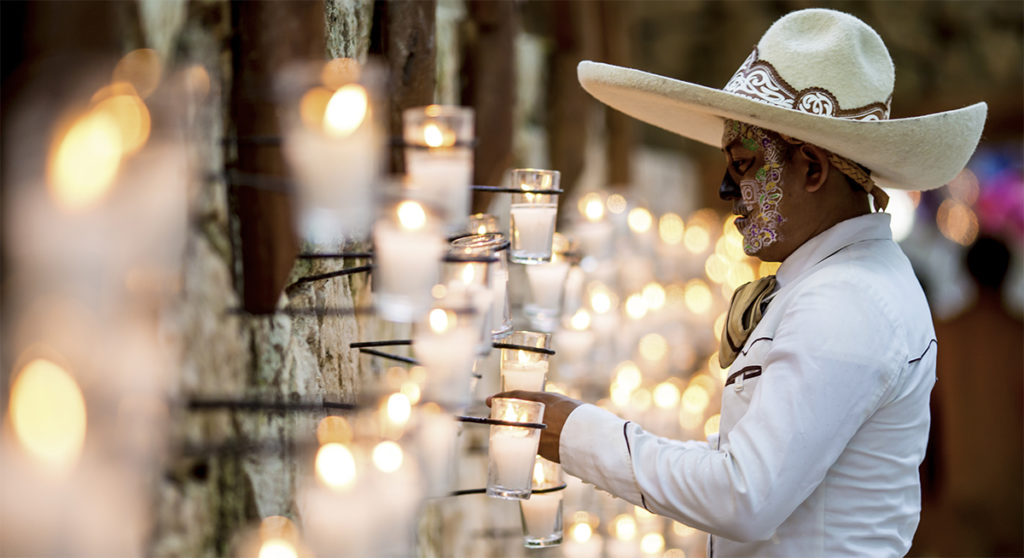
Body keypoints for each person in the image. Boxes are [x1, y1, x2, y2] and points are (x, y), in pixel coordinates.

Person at [492, 8, 987, 557]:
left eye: (745, 164)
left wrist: (580, 435)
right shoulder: (836, 283)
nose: (727, 189)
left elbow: (745, 495)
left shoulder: (847, 299)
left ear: (813, 170)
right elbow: (760, 467)